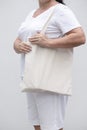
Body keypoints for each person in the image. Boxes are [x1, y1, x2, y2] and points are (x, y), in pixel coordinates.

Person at [13, 0, 86, 130]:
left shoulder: (60, 10)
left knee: (51, 126)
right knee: (38, 124)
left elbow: (80, 37)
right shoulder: (32, 14)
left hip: (49, 78)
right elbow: (19, 38)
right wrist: (17, 45)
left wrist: (48, 42)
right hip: (31, 79)